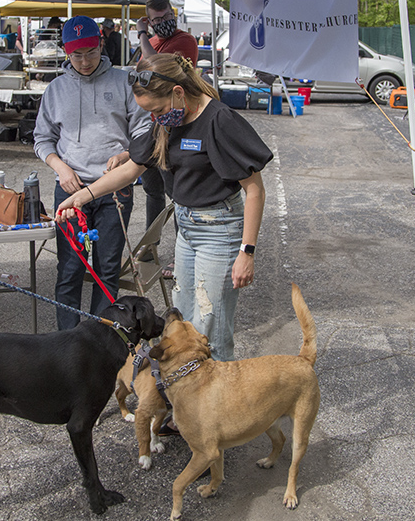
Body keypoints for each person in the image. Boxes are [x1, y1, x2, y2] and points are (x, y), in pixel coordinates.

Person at [58, 53, 272, 362]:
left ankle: (216, 402)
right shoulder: (167, 121)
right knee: (181, 320)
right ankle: (186, 393)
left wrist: (246, 252)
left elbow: (255, 191)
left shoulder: (219, 120)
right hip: (186, 229)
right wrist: (81, 197)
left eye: (157, 110)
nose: (155, 118)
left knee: (209, 325)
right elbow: (132, 169)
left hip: (220, 229)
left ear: (178, 92)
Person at [33, 15, 152, 331]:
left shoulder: (124, 81)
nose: (85, 61)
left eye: (90, 52)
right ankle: (67, 339)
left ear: (101, 44)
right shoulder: (56, 89)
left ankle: (101, 339)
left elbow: (145, 130)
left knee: (107, 270)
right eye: (76, 55)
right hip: (70, 190)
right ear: (66, 52)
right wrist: (60, 167)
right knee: (69, 269)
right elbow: (42, 138)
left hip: (116, 189)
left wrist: (126, 153)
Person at [137, 0, 201, 274]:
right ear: (150, 19)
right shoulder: (152, 42)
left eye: (166, 18)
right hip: (155, 123)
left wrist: (141, 35)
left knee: (177, 193)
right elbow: (141, 76)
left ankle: (181, 253)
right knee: (152, 189)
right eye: (156, 20)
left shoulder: (184, 40)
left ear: (173, 15)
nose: (163, 24)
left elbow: (156, 71)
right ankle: (151, 248)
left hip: (176, 123)